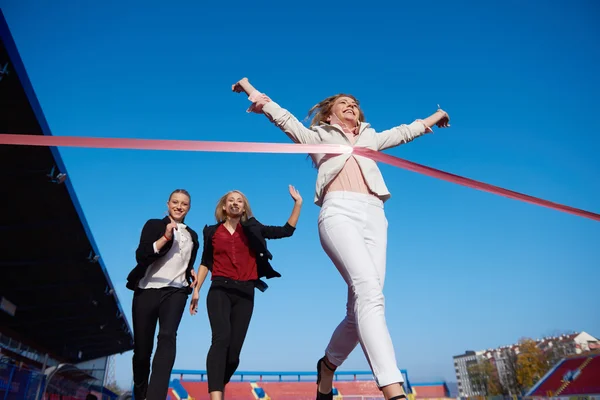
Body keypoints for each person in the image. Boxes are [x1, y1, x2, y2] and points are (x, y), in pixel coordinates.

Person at [232, 77, 450, 400]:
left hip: (375, 215)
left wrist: (436, 116)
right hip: (339, 212)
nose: (351, 105)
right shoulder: (317, 136)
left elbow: (405, 131)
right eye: (343, 103)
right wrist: (250, 90)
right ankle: (394, 391)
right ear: (329, 115)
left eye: (355, 104)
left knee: (360, 309)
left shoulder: (370, 137)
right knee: (370, 294)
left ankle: (327, 366)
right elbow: (283, 117)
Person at [190, 185, 303, 400]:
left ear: (244, 208)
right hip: (219, 289)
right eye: (230, 200)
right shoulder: (211, 232)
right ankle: (215, 396)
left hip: (245, 293)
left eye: (239, 200)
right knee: (221, 338)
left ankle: (218, 385)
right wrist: (197, 290)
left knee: (233, 356)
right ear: (224, 206)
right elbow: (206, 261)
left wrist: (298, 204)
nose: (235, 203)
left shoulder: (253, 228)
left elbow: (285, 231)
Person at [126, 189, 199, 400]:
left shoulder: (192, 235)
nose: (179, 206)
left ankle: (156, 396)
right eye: (175, 202)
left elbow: (185, 261)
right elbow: (142, 256)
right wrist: (166, 236)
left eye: (184, 203)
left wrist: (190, 271)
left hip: (175, 291)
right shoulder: (154, 225)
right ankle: (140, 394)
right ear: (167, 204)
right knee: (142, 351)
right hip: (147, 290)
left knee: (167, 337)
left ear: (189, 207)